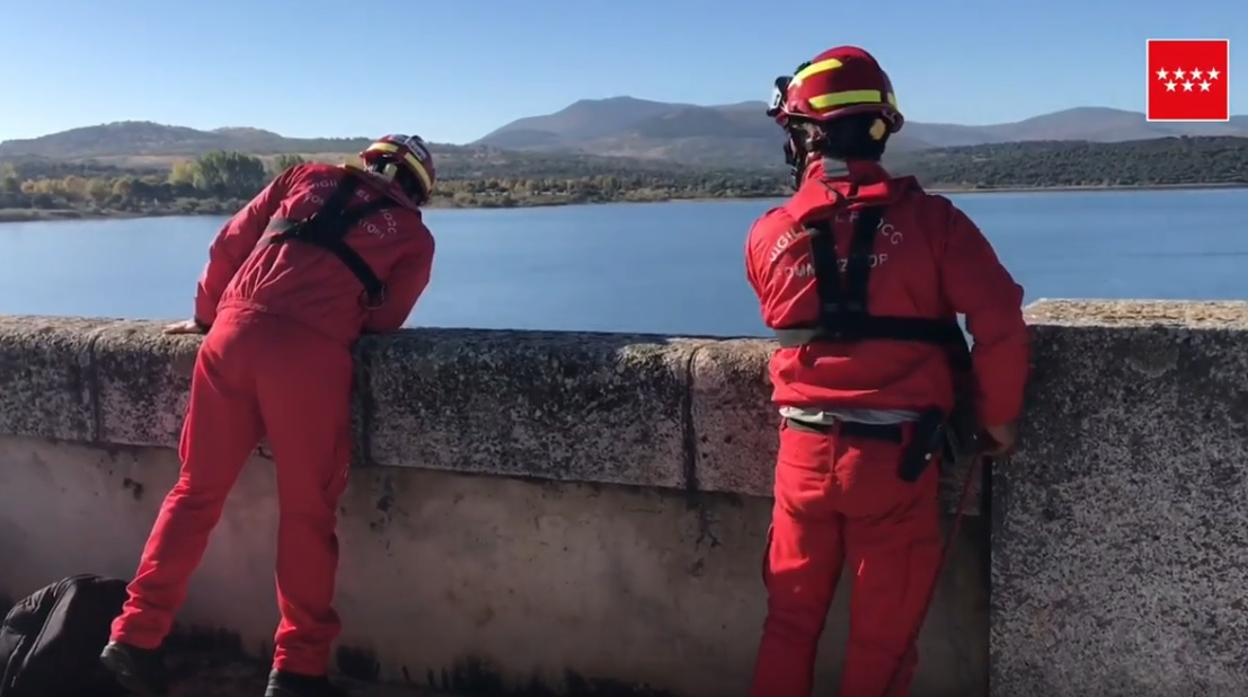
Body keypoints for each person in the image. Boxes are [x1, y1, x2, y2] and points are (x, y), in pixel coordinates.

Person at [99, 134, 438, 697]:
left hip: (229, 339)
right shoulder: (413, 236)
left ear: (367, 161)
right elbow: (386, 320)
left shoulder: (303, 176)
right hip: (308, 361)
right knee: (307, 514)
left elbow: (230, 243)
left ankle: (133, 639)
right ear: (417, 190)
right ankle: (297, 671)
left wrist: (208, 315)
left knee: (194, 493)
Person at [744, 46, 1029, 697]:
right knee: (883, 645)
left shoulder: (768, 234)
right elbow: (1000, 320)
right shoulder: (934, 224)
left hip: (802, 456)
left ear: (805, 135)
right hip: (896, 464)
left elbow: (784, 308)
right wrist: (997, 416)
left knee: (788, 627)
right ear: (879, 128)